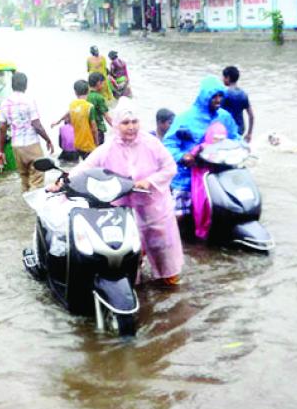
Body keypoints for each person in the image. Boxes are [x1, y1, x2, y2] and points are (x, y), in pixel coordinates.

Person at [49, 98, 183, 285]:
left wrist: (149, 181)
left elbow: (169, 168)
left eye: (134, 122)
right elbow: (86, 167)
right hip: (124, 209)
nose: (131, 127)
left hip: (154, 207)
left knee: (164, 253)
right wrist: (63, 182)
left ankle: (168, 282)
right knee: (128, 252)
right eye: (125, 123)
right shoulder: (108, 148)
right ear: (117, 124)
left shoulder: (152, 144)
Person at [163, 75, 238, 223]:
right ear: (204, 97)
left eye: (220, 96)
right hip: (187, 175)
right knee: (179, 217)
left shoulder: (224, 117)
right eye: (214, 97)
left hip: (216, 174)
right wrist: (183, 157)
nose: (218, 100)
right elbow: (168, 145)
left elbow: (236, 138)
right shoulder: (185, 118)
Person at [0, 72, 55, 192]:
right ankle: (35, 208)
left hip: (16, 146)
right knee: (37, 178)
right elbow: (36, 124)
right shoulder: (29, 101)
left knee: (24, 179)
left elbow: (2, 128)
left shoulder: (4, 103)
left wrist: (0, 151)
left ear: (12, 85)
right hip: (31, 144)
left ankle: (26, 206)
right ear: (26, 85)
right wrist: (48, 140)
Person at [51, 80, 99, 161]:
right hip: (88, 144)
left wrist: (58, 121)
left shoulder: (72, 105)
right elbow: (94, 129)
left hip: (76, 143)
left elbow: (68, 113)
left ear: (75, 92)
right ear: (88, 91)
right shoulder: (90, 107)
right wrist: (97, 143)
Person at [221, 66, 255, 143]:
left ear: (228, 78)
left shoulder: (225, 94)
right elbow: (251, 116)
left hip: (227, 129)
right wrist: (249, 134)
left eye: (223, 77)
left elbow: (217, 113)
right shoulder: (244, 94)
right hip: (240, 129)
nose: (222, 79)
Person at [87, 72, 112, 145]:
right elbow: (107, 117)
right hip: (98, 129)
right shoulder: (99, 98)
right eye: (103, 83)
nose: (104, 86)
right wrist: (117, 128)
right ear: (98, 83)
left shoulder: (86, 96)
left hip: (87, 129)